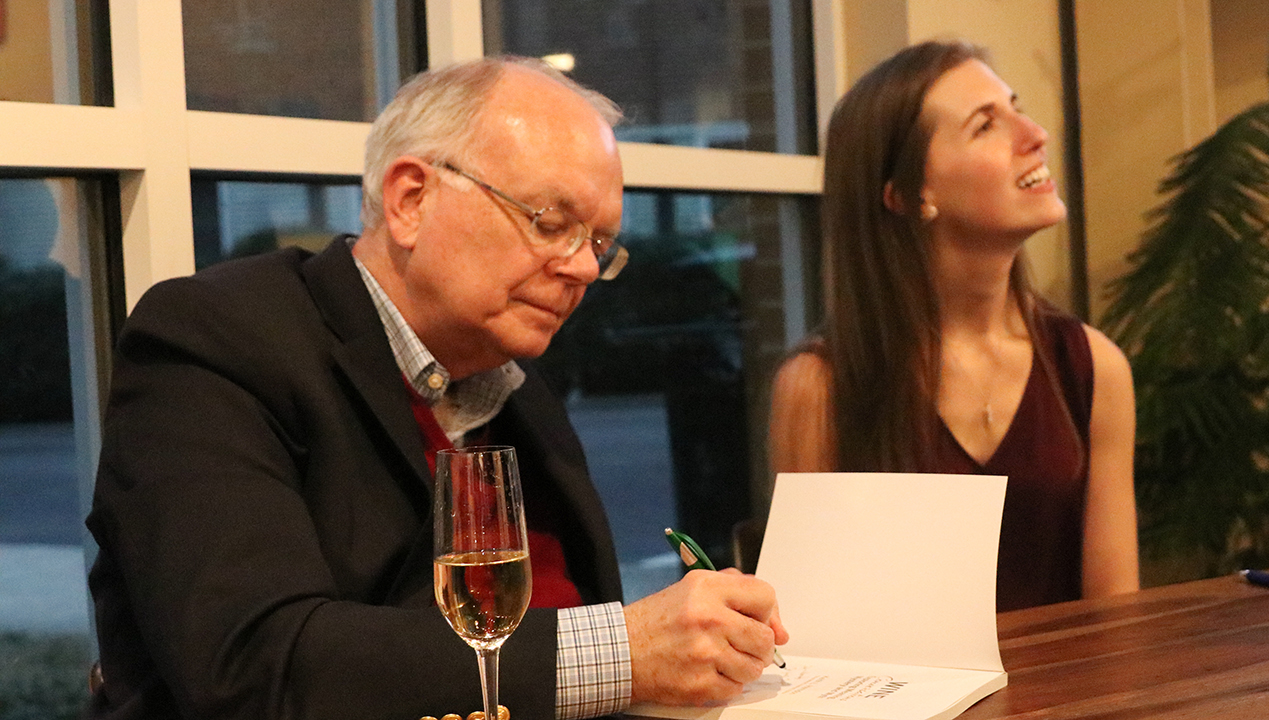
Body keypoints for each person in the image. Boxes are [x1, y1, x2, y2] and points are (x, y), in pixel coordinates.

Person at [86, 56, 786, 720]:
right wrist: (624, 652)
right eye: (550, 223)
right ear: (410, 199)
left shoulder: (518, 388)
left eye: (600, 244)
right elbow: (256, 666)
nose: (580, 268)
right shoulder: (215, 340)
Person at [767, 40, 1140, 612]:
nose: (1035, 134)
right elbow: (812, 628)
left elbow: (1116, 615)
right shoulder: (819, 388)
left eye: (1016, 108)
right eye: (986, 125)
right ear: (909, 194)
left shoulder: (1094, 366)